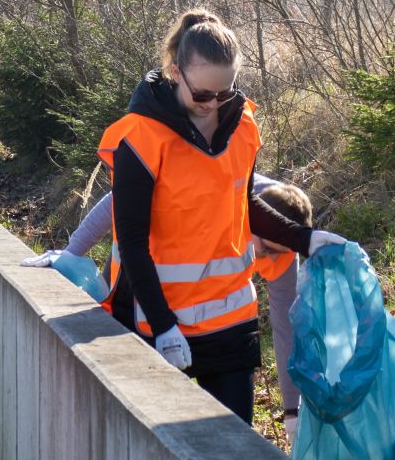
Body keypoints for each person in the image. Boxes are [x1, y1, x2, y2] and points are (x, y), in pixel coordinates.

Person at [89, 8, 344, 425]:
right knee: (163, 449)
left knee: (235, 449)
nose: (212, 105)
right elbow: (131, 241)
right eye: (202, 95)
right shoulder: (140, 137)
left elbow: (243, 206)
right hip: (158, 323)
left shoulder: (242, 128)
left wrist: (305, 239)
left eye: (224, 94)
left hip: (230, 322)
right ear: (176, 73)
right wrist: (164, 325)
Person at [26, 175, 316, 426]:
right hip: (139, 282)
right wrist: (71, 254)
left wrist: (292, 410)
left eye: (284, 250)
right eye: (268, 249)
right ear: (253, 217)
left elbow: (285, 327)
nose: (275, 258)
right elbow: (121, 197)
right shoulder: (210, 191)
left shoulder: (281, 243)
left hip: (213, 320)